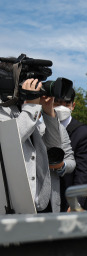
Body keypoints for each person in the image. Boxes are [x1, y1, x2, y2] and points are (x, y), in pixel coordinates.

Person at [0, 71, 64, 213]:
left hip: (38, 202)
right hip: (11, 205)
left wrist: (48, 112)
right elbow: (9, 142)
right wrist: (31, 106)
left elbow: (53, 148)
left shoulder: (25, 110)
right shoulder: (4, 109)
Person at [53, 88, 87, 211]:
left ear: (73, 106)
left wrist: (75, 202)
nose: (61, 107)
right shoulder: (41, 126)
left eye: (66, 104)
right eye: (57, 103)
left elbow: (84, 172)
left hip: (67, 199)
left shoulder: (83, 133)